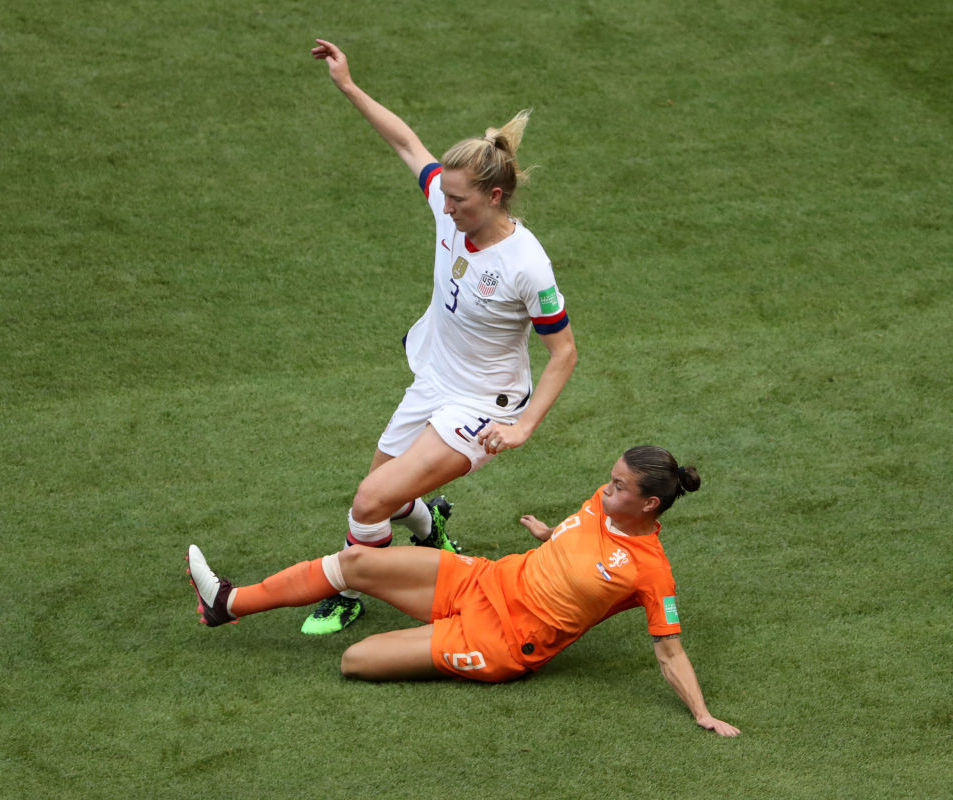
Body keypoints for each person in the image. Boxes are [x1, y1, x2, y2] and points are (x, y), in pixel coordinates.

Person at [301, 39, 578, 635]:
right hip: (434, 381)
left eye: (458, 199)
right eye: (445, 194)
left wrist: (525, 426)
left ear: (493, 197)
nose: (444, 206)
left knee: (369, 502)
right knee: (386, 496)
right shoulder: (448, 206)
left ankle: (351, 589)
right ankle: (430, 528)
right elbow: (406, 143)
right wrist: (348, 85)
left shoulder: (526, 266)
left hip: (482, 406)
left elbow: (564, 352)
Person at [187, 446, 741, 737]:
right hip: (485, 577)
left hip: (502, 640)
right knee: (356, 561)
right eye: (611, 476)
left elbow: (670, 649)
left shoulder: (651, 572)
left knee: (355, 660)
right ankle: (226, 604)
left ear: (649, 504)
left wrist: (702, 714)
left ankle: (441, 642)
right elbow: (578, 543)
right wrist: (547, 534)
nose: (606, 486)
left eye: (620, 485)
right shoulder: (602, 502)